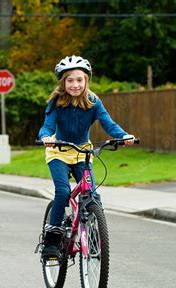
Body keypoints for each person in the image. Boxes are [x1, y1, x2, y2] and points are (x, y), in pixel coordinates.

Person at [38, 55, 135, 259]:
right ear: (63, 82)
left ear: (86, 80)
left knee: (91, 195)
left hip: (83, 152)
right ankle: (52, 240)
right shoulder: (57, 102)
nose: (75, 84)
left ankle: (92, 237)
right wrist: (46, 137)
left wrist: (123, 136)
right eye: (70, 80)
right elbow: (47, 125)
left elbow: (108, 123)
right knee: (63, 191)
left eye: (79, 80)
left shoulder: (93, 101)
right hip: (59, 152)